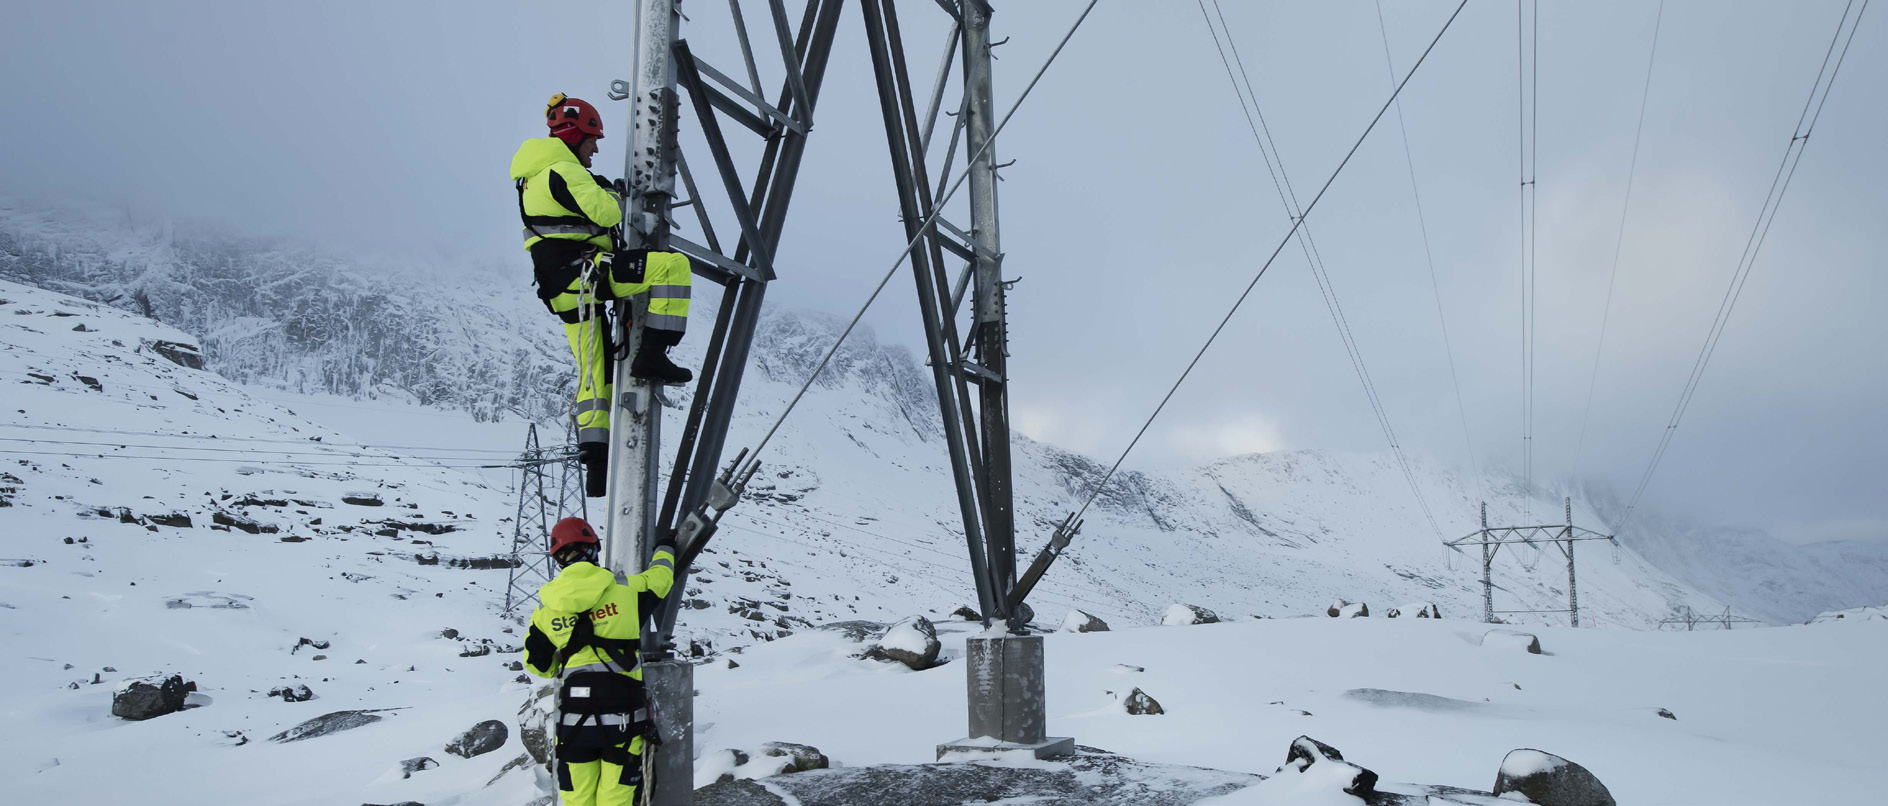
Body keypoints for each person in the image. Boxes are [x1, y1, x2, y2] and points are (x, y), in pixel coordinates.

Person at [510, 93, 694, 495]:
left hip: (564, 291)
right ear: (575, 136)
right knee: (673, 267)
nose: (595, 149)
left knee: (593, 376)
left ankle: (595, 468)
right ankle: (653, 356)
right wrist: (611, 193)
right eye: (593, 140)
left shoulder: (533, 177)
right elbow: (608, 213)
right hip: (588, 277)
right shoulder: (563, 168)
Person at [524, 517, 676, 806]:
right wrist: (665, 547)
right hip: (624, 716)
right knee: (615, 800)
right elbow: (662, 578)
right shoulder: (626, 590)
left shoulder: (546, 608)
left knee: (577, 800)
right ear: (594, 549)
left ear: (558, 558)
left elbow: (538, 665)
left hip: (575, 720)